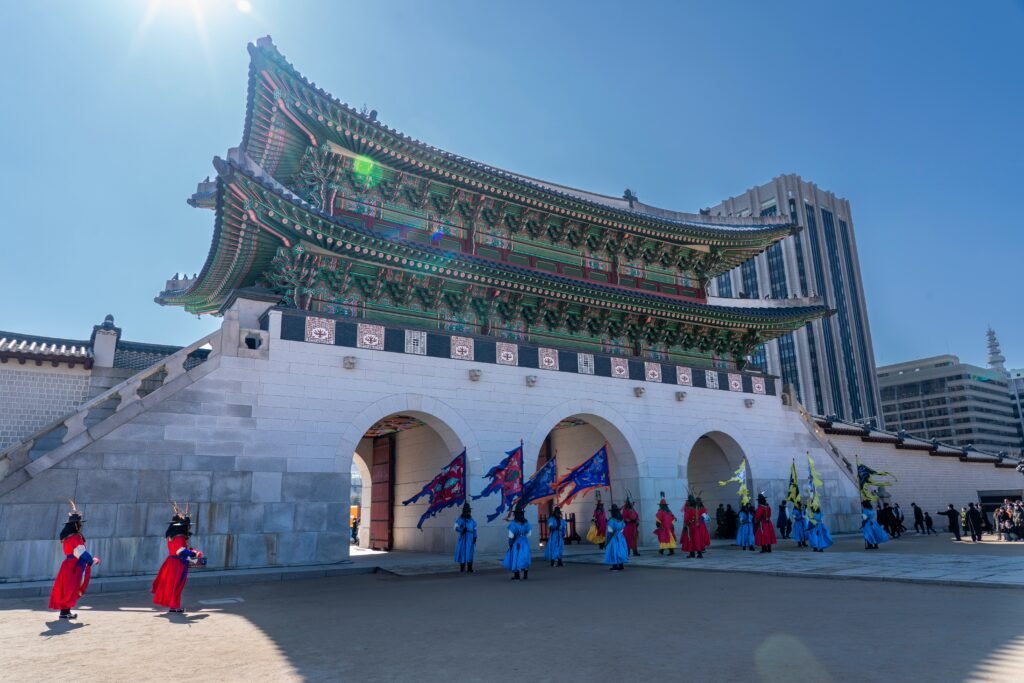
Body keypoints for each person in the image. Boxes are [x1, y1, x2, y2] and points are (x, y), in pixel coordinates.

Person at [49, 500, 101, 620]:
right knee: (72, 588)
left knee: (66, 588)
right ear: (76, 525)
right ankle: (65, 612)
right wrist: (92, 560)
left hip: (67, 565)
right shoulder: (76, 537)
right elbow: (80, 552)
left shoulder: (67, 538)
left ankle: (65, 612)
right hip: (75, 565)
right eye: (80, 523)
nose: (81, 526)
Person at [152, 504, 203, 613]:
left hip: (172, 562)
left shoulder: (172, 537)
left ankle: (174, 606)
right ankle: (174, 606)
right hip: (177, 564)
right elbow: (180, 551)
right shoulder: (179, 537)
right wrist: (194, 554)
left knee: (173, 585)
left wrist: (192, 551)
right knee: (177, 586)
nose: (189, 527)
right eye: (187, 525)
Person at [503, 502, 532, 580]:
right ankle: (525, 575)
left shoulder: (513, 524)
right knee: (524, 556)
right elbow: (529, 534)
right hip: (525, 542)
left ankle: (517, 575)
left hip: (517, 542)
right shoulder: (526, 523)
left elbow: (511, 536)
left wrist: (510, 544)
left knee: (516, 556)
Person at [681, 494, 710, 559]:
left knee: (692, 539)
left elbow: (686, 518)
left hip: (692, 526)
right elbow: (706, 518)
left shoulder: (690, 509)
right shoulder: (703, 509)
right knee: (698, 539)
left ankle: (693, 554)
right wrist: (700, 523)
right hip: (700, 527)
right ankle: (698, 554)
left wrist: (686, 525)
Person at [604, 504, 629, 571]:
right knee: (620, 550)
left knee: (613, 551)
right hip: (621, 537)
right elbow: (623, 528)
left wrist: (607, 541)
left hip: (614, 538)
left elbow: (610, 532)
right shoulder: (621, 520)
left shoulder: (611, 520)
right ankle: (621, 565)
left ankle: (615, 566)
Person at [454, 502, 477, 572]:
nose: (468, 512)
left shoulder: (472, 520)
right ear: (464, 511)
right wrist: (462, 530)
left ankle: (470, 568)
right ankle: (462, 568)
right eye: (466, 511)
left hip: (471, 539)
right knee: (463, 552)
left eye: (469, 511)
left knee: (470, 552)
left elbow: (475, 529)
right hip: (464, 538)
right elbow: (455, 527)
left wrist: (475, 537)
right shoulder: (461, 519)